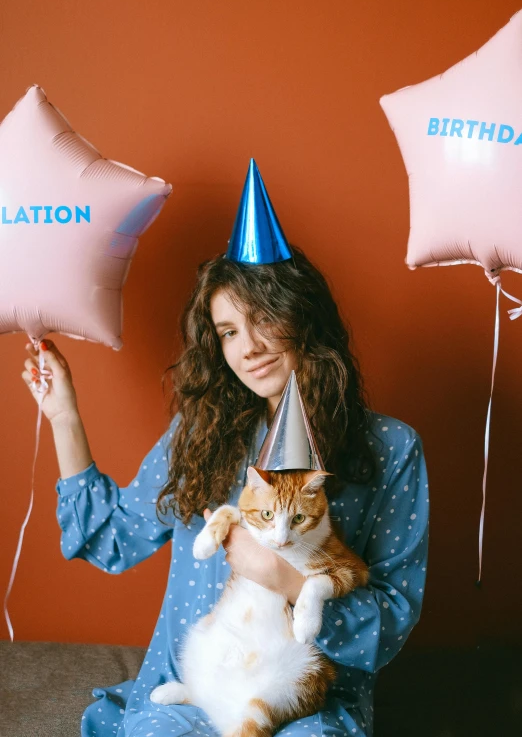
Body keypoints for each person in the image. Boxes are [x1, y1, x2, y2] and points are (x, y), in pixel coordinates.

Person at [22, 161, 429, 737]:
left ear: (303, 318)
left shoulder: (390, 448)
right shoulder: (200, 434)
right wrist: (64, 415)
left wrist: (285, 579)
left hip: (302, 705)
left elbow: (390, 621)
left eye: (264, 319)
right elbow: (111, 539)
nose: (250, 348)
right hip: (191, 698)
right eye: (229, 330)